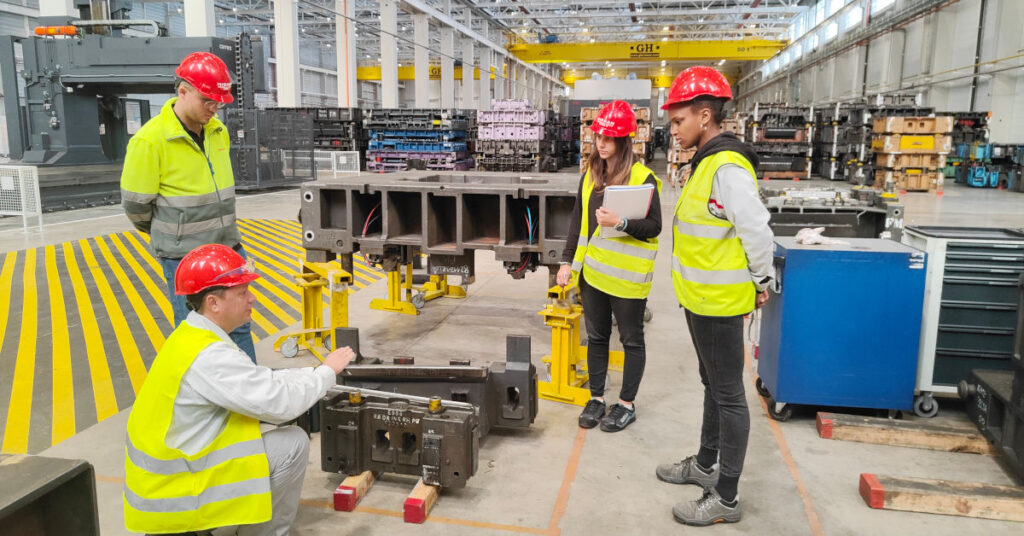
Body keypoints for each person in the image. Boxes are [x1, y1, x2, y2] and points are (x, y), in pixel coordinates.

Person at [123, 244, 355, 536]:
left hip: (166, 482)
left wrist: (309, 373)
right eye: (242, 292)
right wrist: (325, 374)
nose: (252, 299)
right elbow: (279, 403)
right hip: (178, 493)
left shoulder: (192, 337)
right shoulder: (210, 357)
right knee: (292, 444)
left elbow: (257, 381)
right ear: (213, 302)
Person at [654, 66, 775, 526]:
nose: (675, 130)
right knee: (713, 385)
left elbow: (756, 231)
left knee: (728, 395)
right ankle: (705, 466)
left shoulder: (726, 166)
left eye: (679, 120)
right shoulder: (706, 163)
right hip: (701, 300)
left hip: (721, 304)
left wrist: (762, 282)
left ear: (705, 116)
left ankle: (725, 498)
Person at [120, 52, 257, 363]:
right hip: (186, 258)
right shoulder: (150, 141)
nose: (214, 108)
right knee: (196, 332)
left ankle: (249, 398)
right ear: (183, 91)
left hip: (228, 247)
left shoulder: (217, 132)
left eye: (219, 102)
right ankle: (206, 402)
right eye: (207, 100)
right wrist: (175, 234)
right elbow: (136, 206)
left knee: (239, 324)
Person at [556, 100, 662, 433]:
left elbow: (654, 227)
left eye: (609, 137)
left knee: (631, 340)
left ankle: (626, 404)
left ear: (624, 140)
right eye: (598, 135)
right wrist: (566, 262)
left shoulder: (643, 178)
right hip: (594, 275)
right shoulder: (590, 175)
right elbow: (578, 222)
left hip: (628, 279)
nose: (601, 143)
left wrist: (623, 222)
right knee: (598, 337)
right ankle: (598, 398)